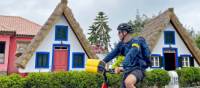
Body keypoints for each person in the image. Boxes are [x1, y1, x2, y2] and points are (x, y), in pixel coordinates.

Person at [102, 23, 150, 88]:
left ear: (125, 32)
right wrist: (102, 62)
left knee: (128, 83)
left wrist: (122, 66)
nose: (118, 34)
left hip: (138, 69)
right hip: (127, 70)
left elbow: (132, 53)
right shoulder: (121, 44)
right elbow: (112, 54)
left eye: (119, 32)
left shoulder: (136, 42)